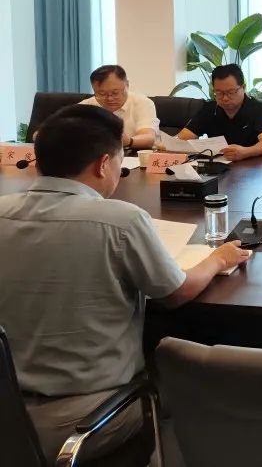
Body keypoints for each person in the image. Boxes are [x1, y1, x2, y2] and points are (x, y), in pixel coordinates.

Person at [0, 106, 248, 463]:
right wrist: (218, 259)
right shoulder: (120, 221)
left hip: (8, 415)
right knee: (193, 391)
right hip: (89, 420)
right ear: (103, 164)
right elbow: (176, 292)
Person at [177, 64, 262, 161]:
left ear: (243, 88)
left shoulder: (259, 109)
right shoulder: (210, 109)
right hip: (217, 166)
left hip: (251, 166)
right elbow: (182, 138)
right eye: (219, 93)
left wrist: (245, 152)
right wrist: (171, 144)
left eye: (231, 92)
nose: (225, 98)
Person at [77, 65, 157, 151]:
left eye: (115, 93)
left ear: (127, 85)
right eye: (102, 94)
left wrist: (129, 141)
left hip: (132, 155)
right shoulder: (85, 106)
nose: (109, 98)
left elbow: (148, 137)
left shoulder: (142, 103)